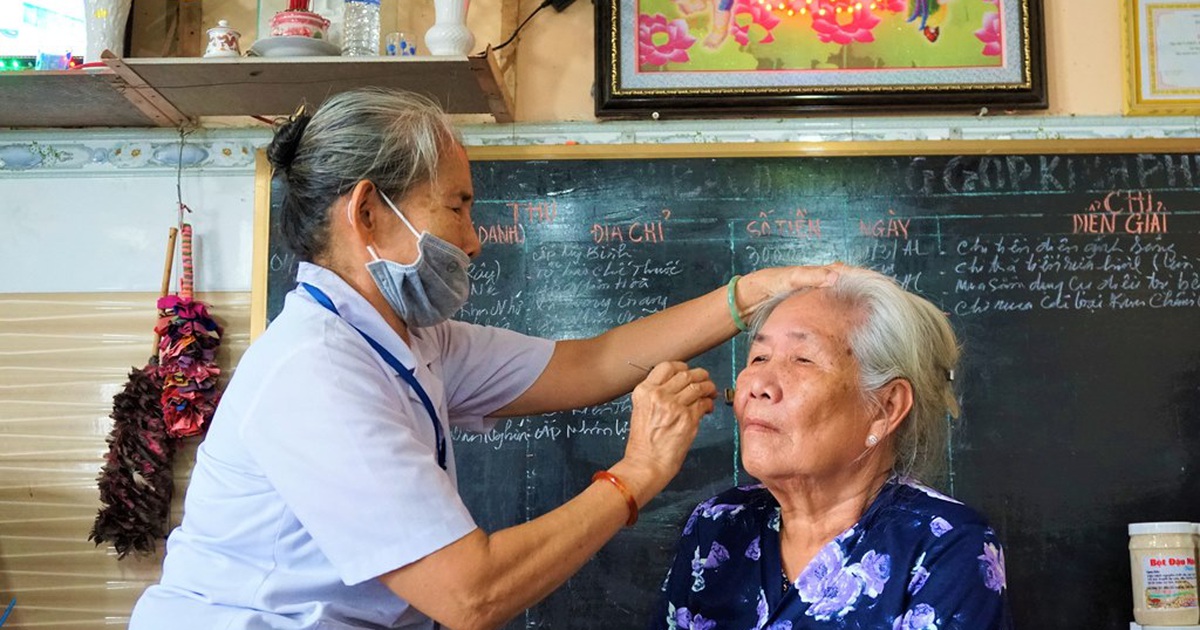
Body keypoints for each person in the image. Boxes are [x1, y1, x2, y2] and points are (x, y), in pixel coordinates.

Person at [128, 87, 836, 630]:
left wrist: (752, 294)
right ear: (368, 212)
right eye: (457, 208)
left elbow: (594, 363)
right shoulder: (316, 372)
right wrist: (638, 474)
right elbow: (471, 593)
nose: (473, 241)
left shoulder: (408, 338)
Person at [651, 266, 1012, 630]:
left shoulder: (946, 545)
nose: (757, 383)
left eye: (802, 359)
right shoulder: (718, 523)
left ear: (885, 408)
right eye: (759, 358)